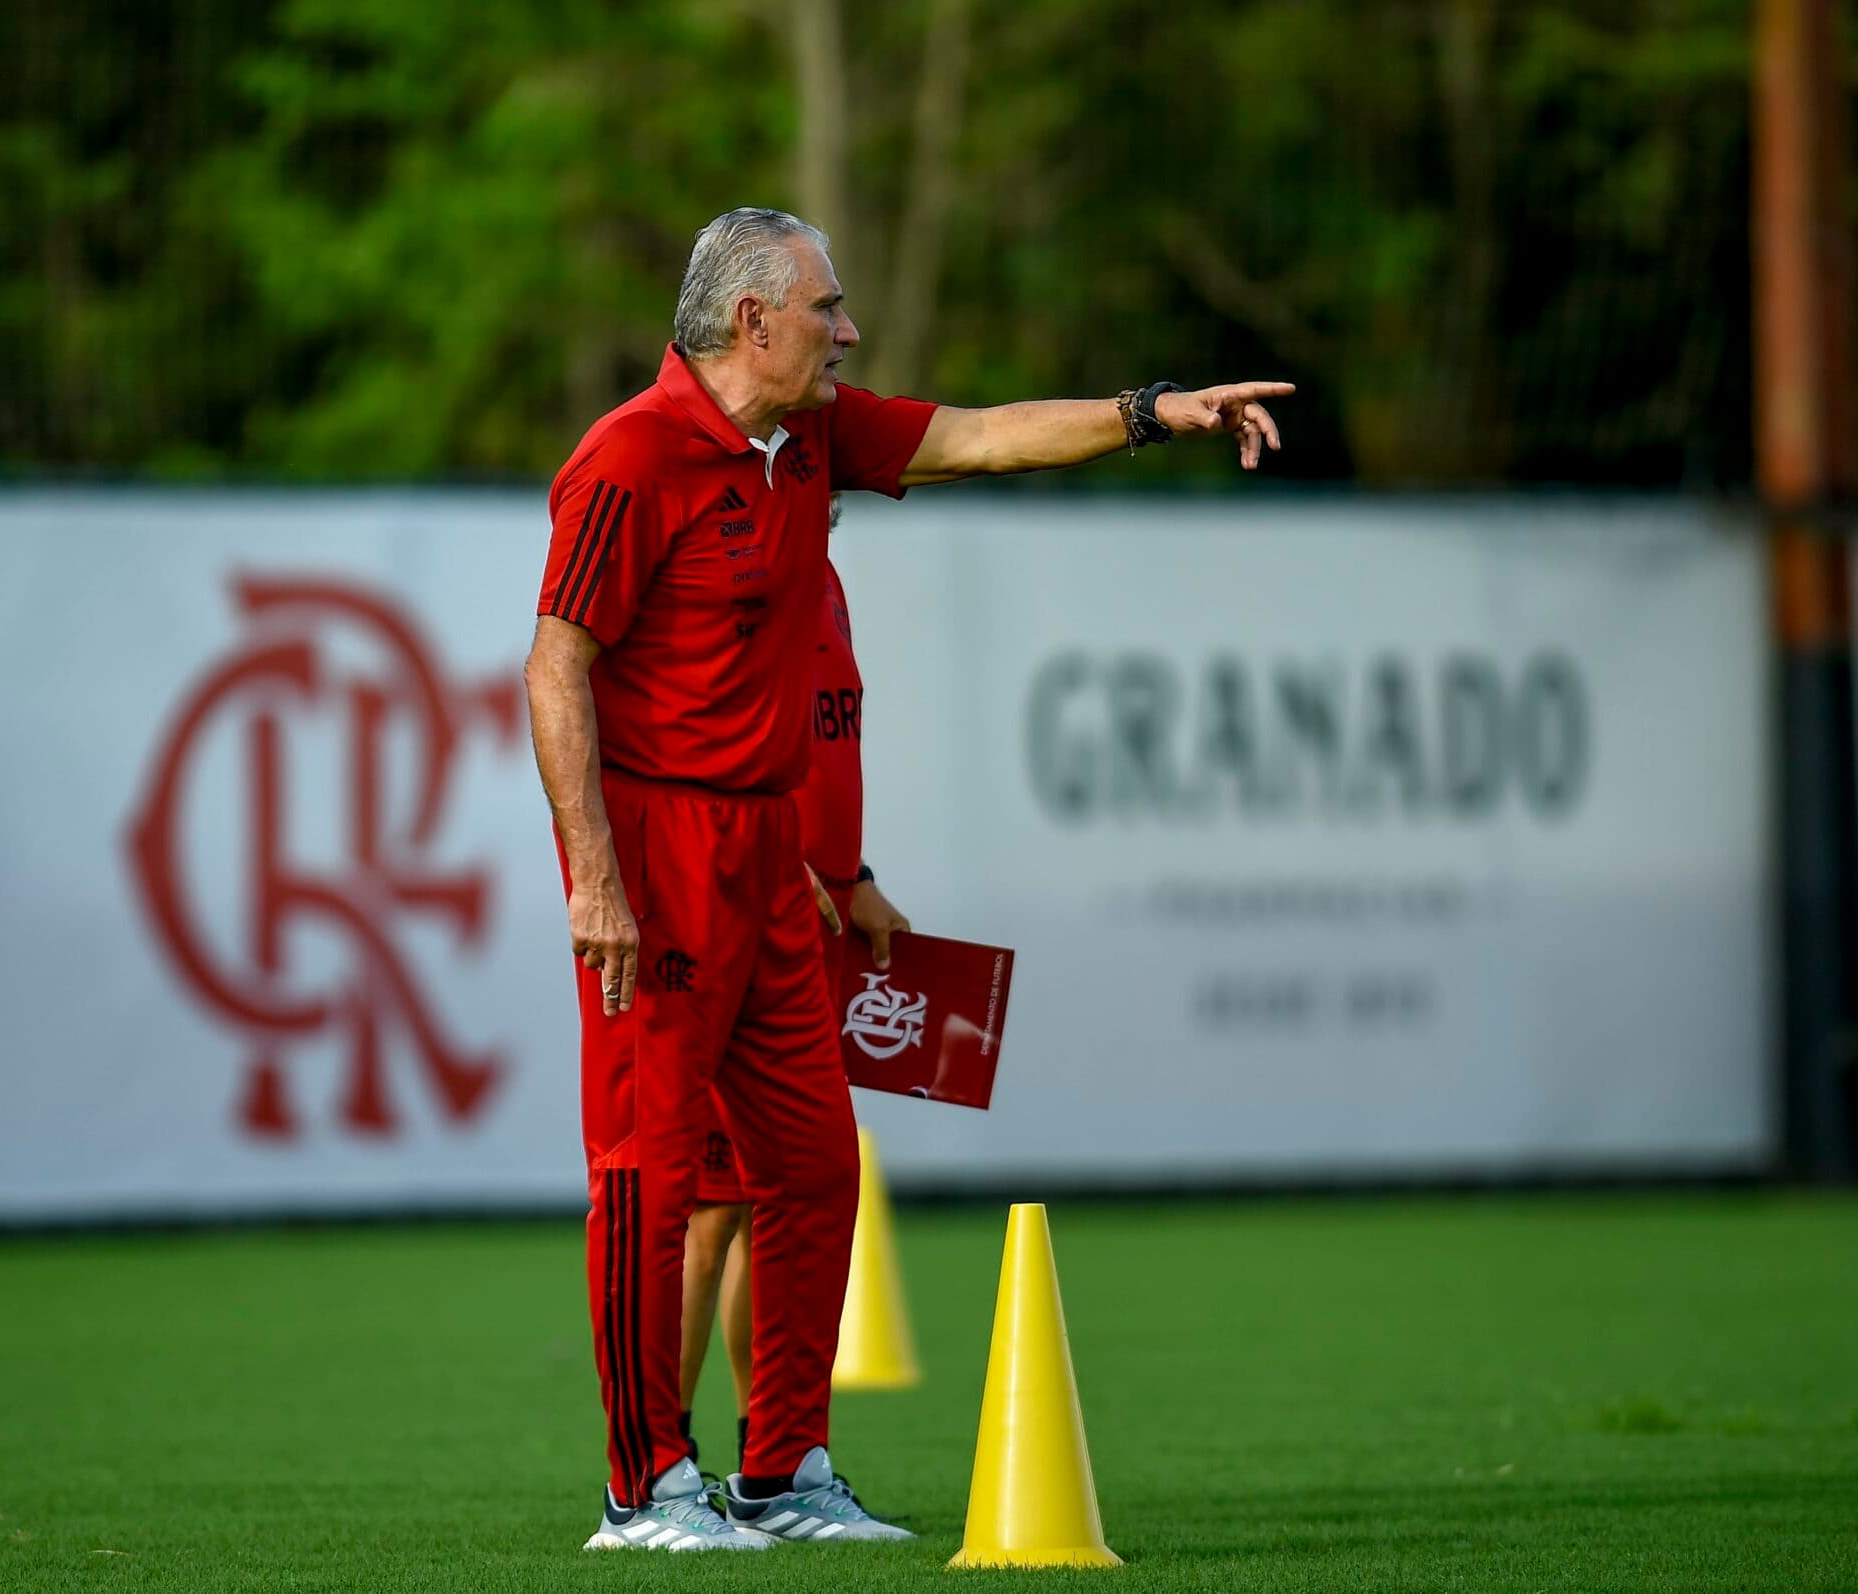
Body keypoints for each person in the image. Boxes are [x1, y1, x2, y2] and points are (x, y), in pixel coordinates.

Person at [526, 205, 1289, 1554]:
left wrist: (1153, 411)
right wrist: (595, 876)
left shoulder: (813, 435)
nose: (849, 330)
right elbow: (555, 668)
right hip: (659, 851)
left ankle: (782, 1470)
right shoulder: (627, 457)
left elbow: (987, 437)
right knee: (649, 1172)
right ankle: (642, 1489)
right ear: (753, 320)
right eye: (827, 307)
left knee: (816, 1163)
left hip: (771, 855)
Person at [675, 492, 907, 1493]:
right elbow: (706, 749)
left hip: (815, 920)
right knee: (710, 1211)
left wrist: (855, 876)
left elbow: (823, 748)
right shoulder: (737, 586)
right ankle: (661, 1466)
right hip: (743, 919)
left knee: (772, 1199)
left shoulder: (825, 582)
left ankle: (762, 1455)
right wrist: (774, 863)